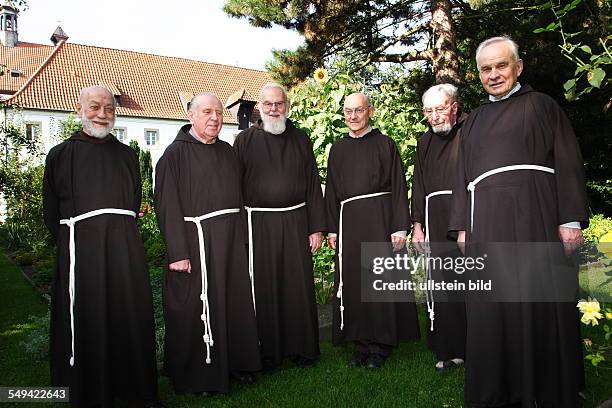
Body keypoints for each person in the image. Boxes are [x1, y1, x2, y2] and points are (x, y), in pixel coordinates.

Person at [449, 36, 588, 407]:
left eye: (501, 66)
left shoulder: (543, 106)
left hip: (536, 218)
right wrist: (462, 226)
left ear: (518, 66)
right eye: (485, 69)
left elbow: (569, 163)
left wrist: (570, 219)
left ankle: (545, 387)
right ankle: (497, 389)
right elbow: (461, 176)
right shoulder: (473, 120)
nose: (493, 75)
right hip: (487, 225)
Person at [43, 86, 160, 407]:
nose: (103, 114)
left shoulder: (126, 156)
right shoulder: (60, 155)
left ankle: (136, 391)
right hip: (82, 254)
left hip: (124, 253)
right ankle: (88, 392)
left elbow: (133, 202)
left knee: (129, 317)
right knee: (88, 318)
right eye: (95, 107)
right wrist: (78, 242)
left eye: (109, 108)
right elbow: (51, 211)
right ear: (79, 109)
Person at [154, 93, 261, 395]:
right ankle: (199, 376)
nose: (214, 117)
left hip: (229, 243)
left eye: (217, 112)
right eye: (206, 112)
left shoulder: (228, 152)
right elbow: (166, 206)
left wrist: (241, 239)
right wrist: (177, 252)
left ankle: (237, 364)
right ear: (190, 116)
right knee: (196, 308)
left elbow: (238, 199)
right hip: (195, 243)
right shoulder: (173, 156)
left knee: (233, 303)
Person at [233, 82, 327, 369]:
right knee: (264, 286)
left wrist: (316, 227)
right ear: (259, 107)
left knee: (296, 286)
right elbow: (234, 187)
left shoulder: (301, 139)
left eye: (279, 104)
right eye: (268, 104)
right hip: (258, 224)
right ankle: (268, 351)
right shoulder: (244, 141)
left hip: (296, 222)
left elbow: (312, 184)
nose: (274, 109)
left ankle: (301, 348)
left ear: (287, 106)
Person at [325, 92, 420, 369]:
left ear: (370, 112)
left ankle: (381, 344)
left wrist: (400, 227)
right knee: (354, 282)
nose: (353, 116)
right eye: (348, 111)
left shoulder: (385, 144)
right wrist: (332, 229)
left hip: (380, 220)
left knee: (379, 279)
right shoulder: (338, 149)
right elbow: (331, 191)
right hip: (349, 223)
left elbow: (399, 187)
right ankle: (361, 343)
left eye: (358, 110)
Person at [411, 83, 467, 371]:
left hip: (467, 216)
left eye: (440, 108)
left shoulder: (471, 132)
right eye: (429, 111)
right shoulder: (424, 142)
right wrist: (418, 225)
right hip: (434, 219)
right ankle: (449, 347)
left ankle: (479, 345)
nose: (434, 116)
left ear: (454, 106)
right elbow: (418, 184)